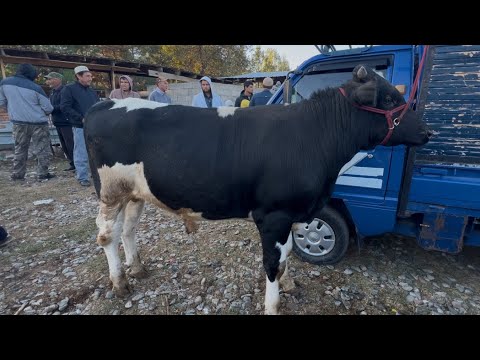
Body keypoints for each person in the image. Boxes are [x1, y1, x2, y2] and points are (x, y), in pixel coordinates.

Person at [0, 63, 55, 181]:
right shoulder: (36, 87)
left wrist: (13, 110)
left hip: (18, 123)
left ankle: (18, 175)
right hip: (38, 124)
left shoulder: (5, 83)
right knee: (42, 149)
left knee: (20, 149)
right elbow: (48, 108)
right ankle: (42, 173)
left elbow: (2, 102)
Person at [60, 65, 99, 187]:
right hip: (80, 127)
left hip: (94, 126)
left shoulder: (92, 92)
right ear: (78, 76)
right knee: (81, 152)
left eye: (90, 76)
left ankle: (95, 174)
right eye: (87, 76)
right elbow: (65, 107)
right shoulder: (69, 89)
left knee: (95, 152)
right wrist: (80, 118)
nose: (90, 78)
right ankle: (82, 177)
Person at [45, 72, 75, 171]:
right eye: (48, 79)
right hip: (57, 122)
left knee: (70, 144)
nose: (48, 81)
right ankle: (72, 163)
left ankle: (77, 164)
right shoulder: (53, 92)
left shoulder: (65, 91)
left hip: (66, 122)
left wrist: (50, 109)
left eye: (50, 79)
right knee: (64, 145)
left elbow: (64, 106)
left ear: (58, 80)